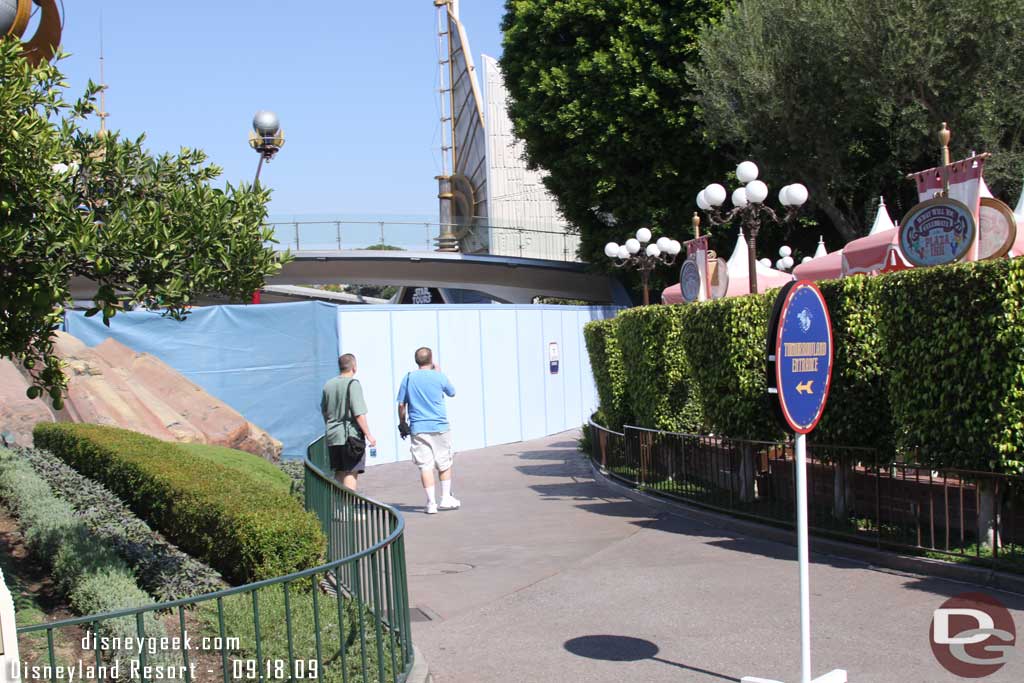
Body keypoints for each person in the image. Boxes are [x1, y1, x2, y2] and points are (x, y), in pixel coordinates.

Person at [397, 347, 458, 514]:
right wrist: (439, 373)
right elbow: (452, 392)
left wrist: (402, 422)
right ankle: (445, 498)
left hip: (418, 427)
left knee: (425, 465)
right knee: (444, 462)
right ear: (431, 360)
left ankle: (431, 503)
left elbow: (401, 404)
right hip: (439, 426)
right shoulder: (438, 376)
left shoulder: (408, 378)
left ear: (416, 361)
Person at [321, 353, 376, 491]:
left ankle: (338, 509)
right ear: (354, 367)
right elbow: (359, 414)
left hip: (333, 436)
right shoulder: (353, 384)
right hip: (349, 436)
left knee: (339, 471)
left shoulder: (328, 385)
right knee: (351, 471)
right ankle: (348, 508)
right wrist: (369, 435)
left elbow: (324, 410)